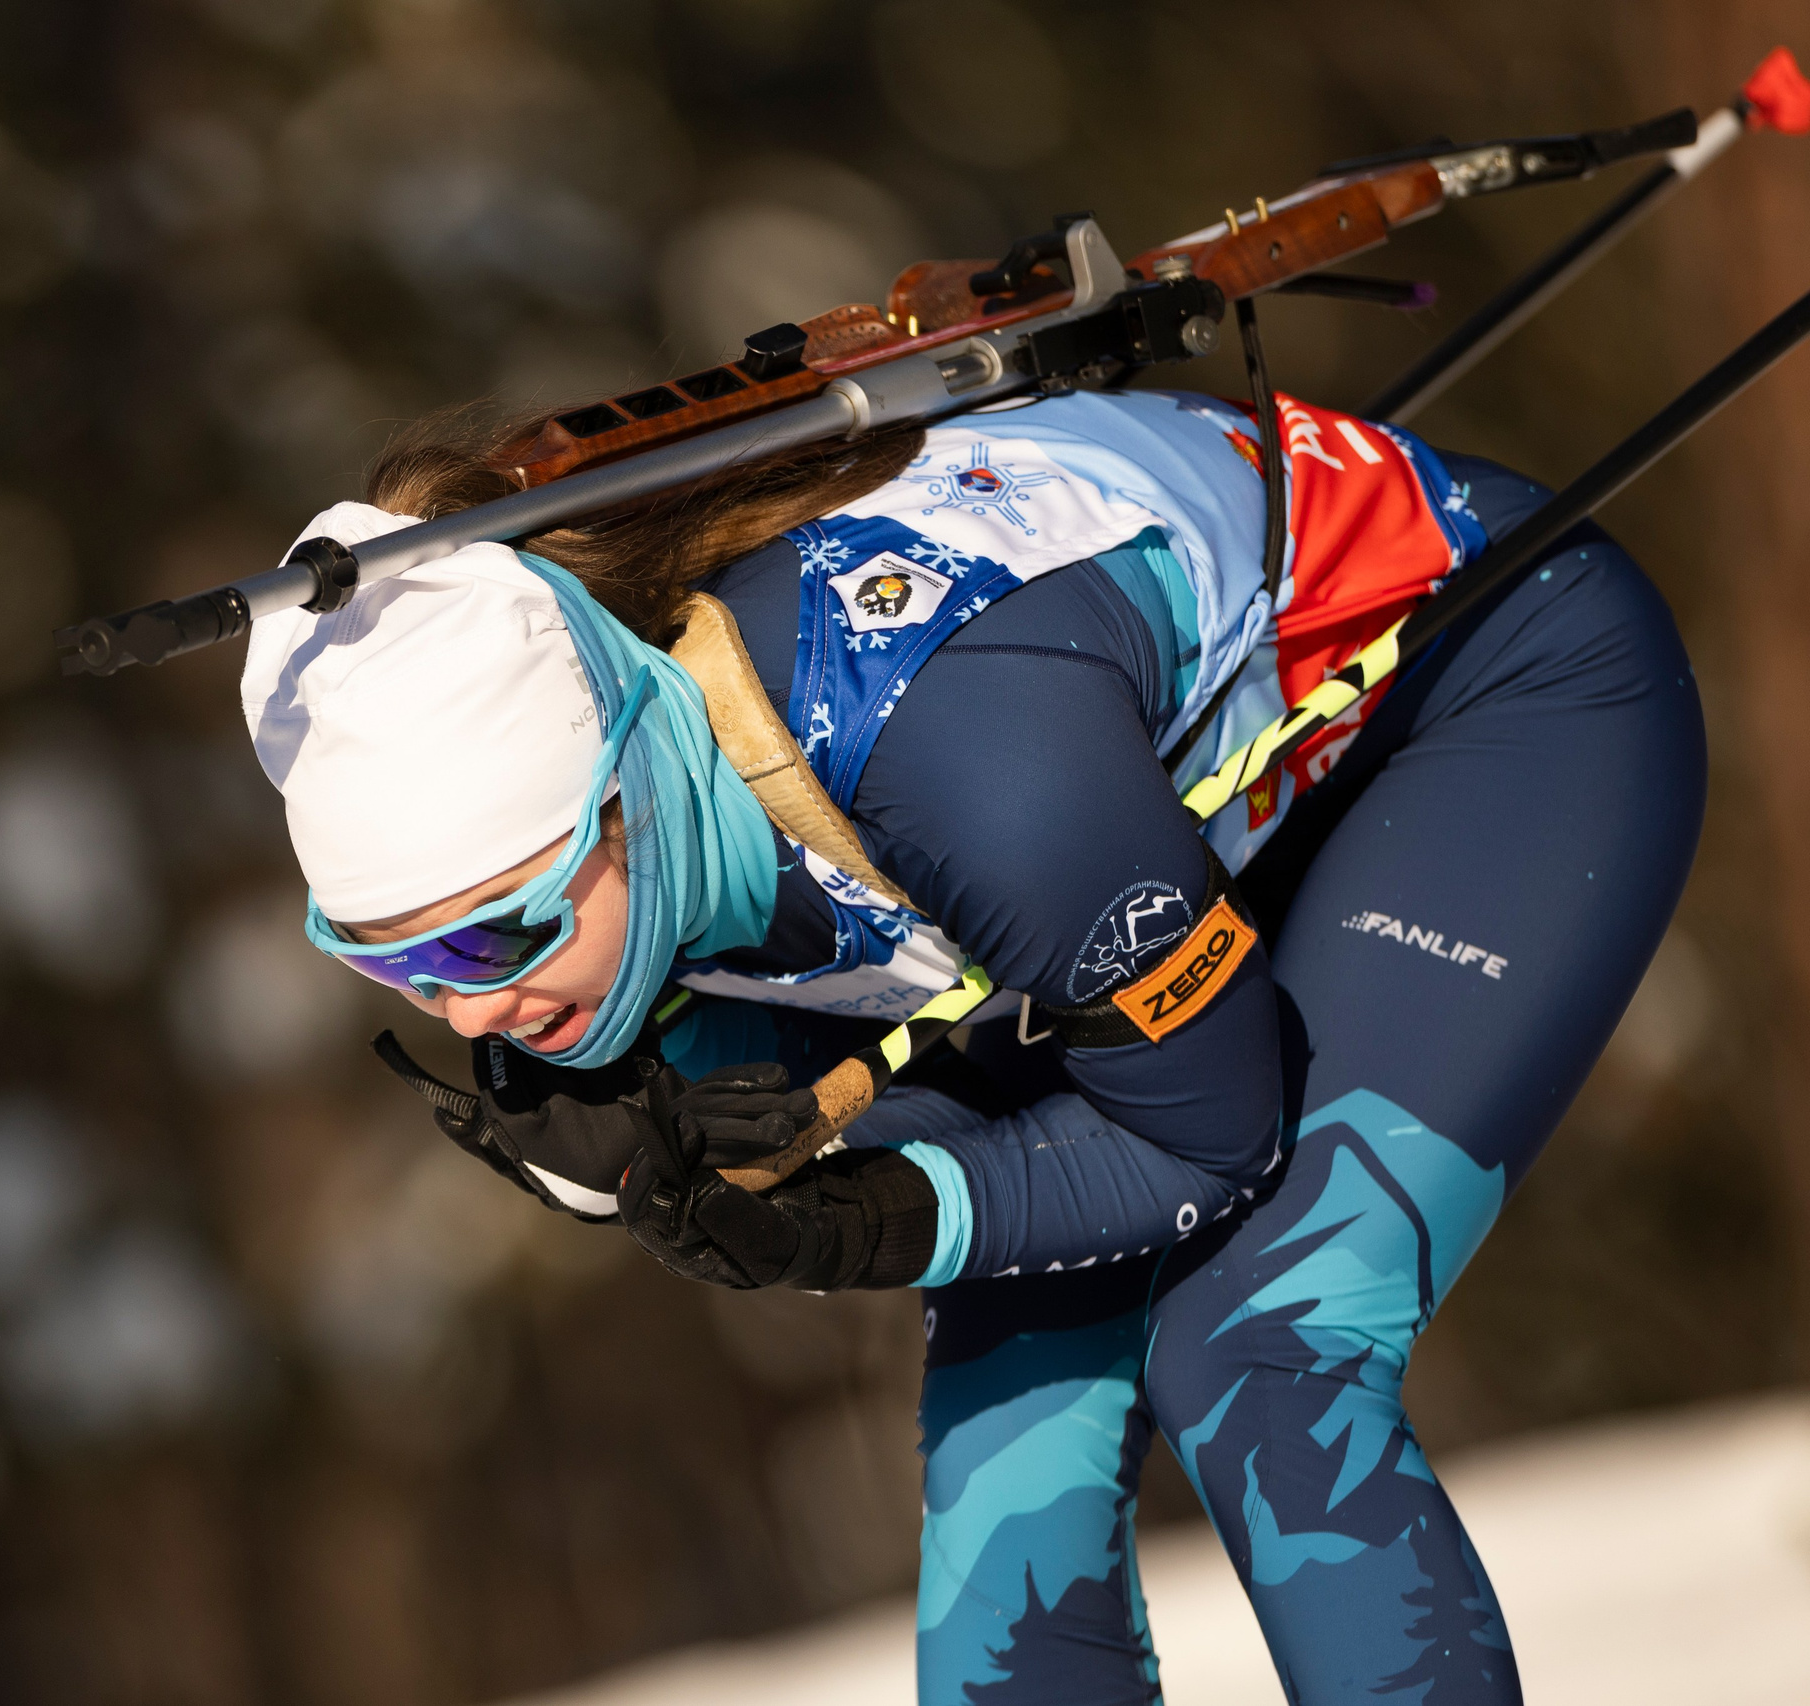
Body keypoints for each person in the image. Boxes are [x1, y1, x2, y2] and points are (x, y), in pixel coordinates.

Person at [241, 381, 1704, 1705]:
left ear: (621, 785)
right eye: (399, 964)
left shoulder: (960, 762)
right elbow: (876, 1087)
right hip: (1111, 880)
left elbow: (1205, 1134)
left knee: (1261, 1350)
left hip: (1482, 700)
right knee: (1015, 1483)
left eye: (496, 934)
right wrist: (657, 1148)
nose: (473, 1006)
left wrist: (874, 1220)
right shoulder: (637, 843)